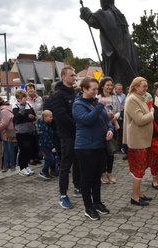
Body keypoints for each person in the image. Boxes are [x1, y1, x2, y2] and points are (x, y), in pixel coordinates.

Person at [73, 76, 113, 220]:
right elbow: (87, 120)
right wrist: (100, 106)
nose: (96, 92)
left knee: (97, 177)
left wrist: (110, 130)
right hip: (85, 147)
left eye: (97, 89)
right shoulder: (78, 105)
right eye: (93, 89)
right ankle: (88, 207)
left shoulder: (96, 102)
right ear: (84, 89)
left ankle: (97, 202)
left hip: (99, 145)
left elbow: (106, 120)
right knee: (87, 178)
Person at [79, 0, 141, 90]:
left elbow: (93, 20)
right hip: (127, 58)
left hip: (115, 58)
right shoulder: (119, 16)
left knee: (117, 81)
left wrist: (86, 12)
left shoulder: (106, 15)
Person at [50, 66, 81, 209]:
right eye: (71, 75)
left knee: (78, 162)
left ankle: (77, 187)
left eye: (75, 75)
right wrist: (77, 126)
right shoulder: (58, 95)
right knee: (65, 164)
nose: (74, 77)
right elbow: (61, 117)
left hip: (78, 133)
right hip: (66, 135)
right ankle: (63, 194)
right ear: (63, 77)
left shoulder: (75, 93)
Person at [123, 76, 154, 206]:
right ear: (135, 87)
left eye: (147, 86)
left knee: (141, 168)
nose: (146, 89)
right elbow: (140, 119)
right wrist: (151, 113)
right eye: (144, 86)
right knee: (138, 169)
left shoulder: (139, 98)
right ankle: (135, 196)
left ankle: (139, 193)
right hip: (137, 141)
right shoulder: (132, 99)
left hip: (143, 140)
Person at [98, 76, 121, 184]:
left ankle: (110, 172)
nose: (110, 87)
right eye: (107, 85)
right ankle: (102, 173)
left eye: (111, 85)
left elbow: (118, 110)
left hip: (113, 125)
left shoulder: (114, 97)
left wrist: (115, 117)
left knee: (111, 151)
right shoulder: (98, 97)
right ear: (102, 86)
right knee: (103, 152)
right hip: (102, 127)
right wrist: (106, 116)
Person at [13, 89, 36, 177]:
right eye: (22, 98)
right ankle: (22, 168)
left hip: (29, 130)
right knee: (22, 150)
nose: (24, 99)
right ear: (18, 99)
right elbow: (17, 117)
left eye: (25, 97)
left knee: (28, 149)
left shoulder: (29, 105)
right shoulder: (16, 107)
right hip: (21, 131)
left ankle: (26, 166)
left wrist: (32, 117)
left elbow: (34, 116)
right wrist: (22, 107)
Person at [0, 96, 16, 172]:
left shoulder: (4, 111)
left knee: (9, 149)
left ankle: (11, 165)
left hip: (7, 132)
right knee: (7, 149)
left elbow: (4, 123)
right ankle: (6, 165)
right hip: (7, 132)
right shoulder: (8, 108)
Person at [26, 83, 43, 166]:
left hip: (39, 121)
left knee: (38, 140)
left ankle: (37, 157)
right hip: (30, 123)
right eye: (28, 89)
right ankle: (31, 158)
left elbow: (42, 109)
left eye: (31, 88)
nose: (30, 90)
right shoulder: (26, 100)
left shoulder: (39, 99)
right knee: (31, 141)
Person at [37, 110, 57, 180]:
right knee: (51, 159)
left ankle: (47, 172)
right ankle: (43, 171)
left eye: (52, 116)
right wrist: (52, 147)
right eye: (50, 117)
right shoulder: (44, 126)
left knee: (49, 158)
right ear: (45, 117)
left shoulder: (49, 124)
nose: (52, 118)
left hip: (48, 144)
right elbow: (46, 137)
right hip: (44, 145)